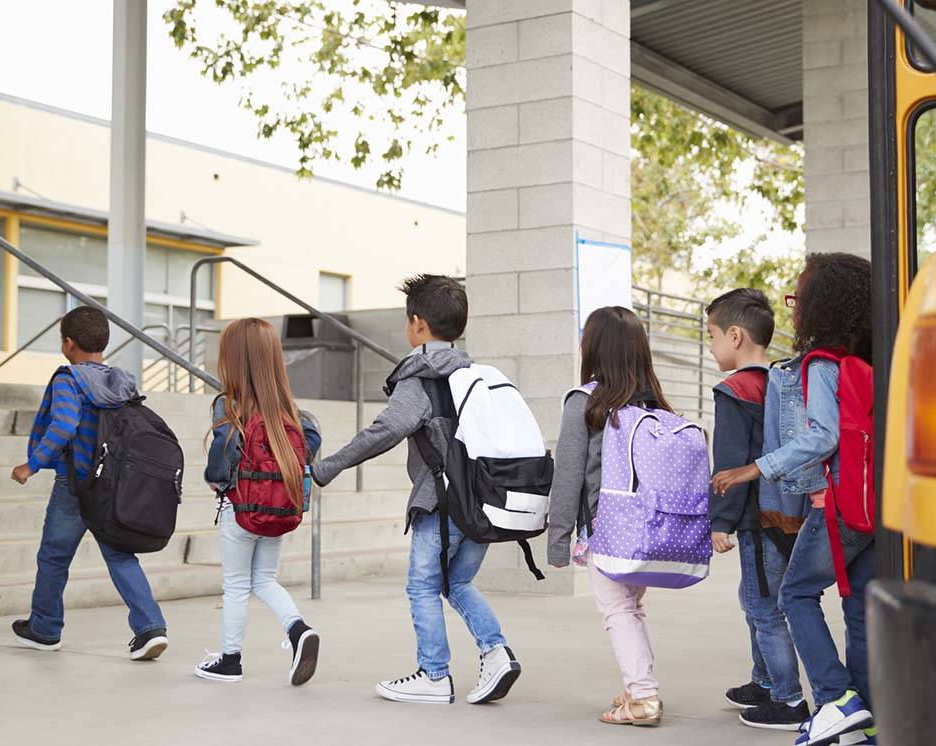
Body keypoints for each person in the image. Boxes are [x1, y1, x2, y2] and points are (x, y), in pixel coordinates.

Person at [312, 274, 521, 706]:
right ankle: (496, 651)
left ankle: (433, 674)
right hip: (483, 501)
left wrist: (327, 467)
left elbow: (388, 428)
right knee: (457, 582)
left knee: (423, 587)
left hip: (442, 501)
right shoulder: (474, 373)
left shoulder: (422, 376)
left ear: (418, 324)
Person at [712, 253, 877, 746]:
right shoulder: (871, 361)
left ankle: (836, 697)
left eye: (799, 299)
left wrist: (754, 468)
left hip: (841, 506)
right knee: (859, 607)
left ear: (821, 308)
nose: (794, 309)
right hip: (877, 505)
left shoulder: (821, 365)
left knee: (796, 594)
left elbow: (823, 436)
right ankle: (864, 714)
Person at [9, 306, 169, 661]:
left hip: (75, 487)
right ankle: (150, 628)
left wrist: (31, 465)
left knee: (53, 557)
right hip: (112, 485)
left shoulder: (69, 379)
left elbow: (64, 424)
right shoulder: (121, 381)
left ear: (68, 344)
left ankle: (45, 629)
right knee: (119, 554)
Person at [546, 306, 675, 727]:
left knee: (617, 610)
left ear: (594, 348)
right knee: (631, 608)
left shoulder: (585, 402)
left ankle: (643, 696)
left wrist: (558, 539)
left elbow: (567, 476)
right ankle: (640, 686)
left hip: (607, 527)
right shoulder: (654, 404)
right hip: (648, 526)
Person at [195, 317, 323, 685]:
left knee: (236, 585)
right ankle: (299, 631)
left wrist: (216, 481)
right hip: (277, 508)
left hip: (241, 511)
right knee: (265, 579)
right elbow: (310, 446)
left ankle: (230, 660)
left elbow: (220, 462)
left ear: (232, 360)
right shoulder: (291, 411)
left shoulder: (228, 405)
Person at [705, 289, 810, 730]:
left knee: (765, 607)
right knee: (757, 600)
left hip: (755, 517)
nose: (710, 346)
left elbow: (728, 461)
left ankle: (787, 700)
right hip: (788, 512)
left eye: (710, 336)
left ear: (734, 336)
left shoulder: (735, 390)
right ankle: (763, 681)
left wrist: (720, 522)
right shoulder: (780, 384)